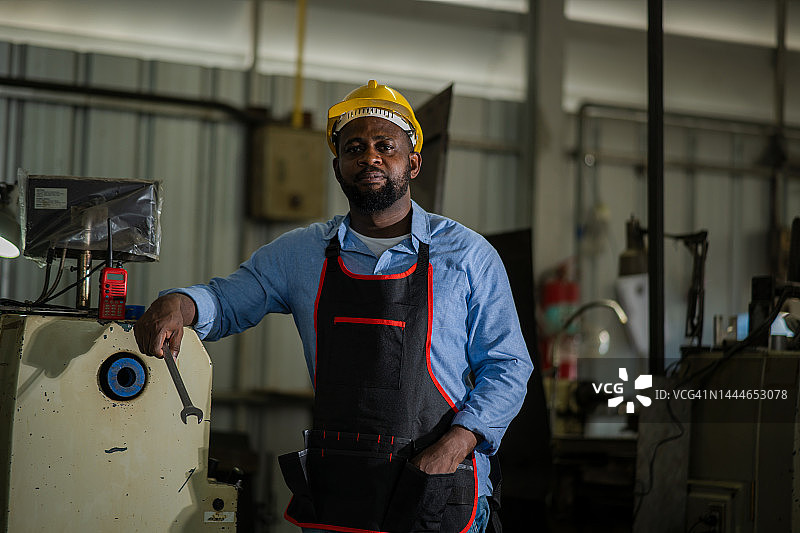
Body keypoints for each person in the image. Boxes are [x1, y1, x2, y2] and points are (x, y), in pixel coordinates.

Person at [134, 80, 533, 533]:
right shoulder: (301, 254)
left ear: (413, 162)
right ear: (338, 167)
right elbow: (226, 300)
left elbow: (508, 365)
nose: (370, 158)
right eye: (354, 148)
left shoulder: (466, 255)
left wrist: (455, 445)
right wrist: (180, 303)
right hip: (342, 490)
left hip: (437, 489)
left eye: (385, 146)